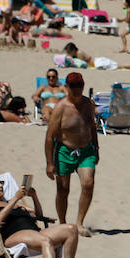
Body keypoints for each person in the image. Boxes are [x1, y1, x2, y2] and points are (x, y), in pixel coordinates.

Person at [0, 171, 81, 258]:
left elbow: (38, 215)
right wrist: (15, 198)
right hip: (13, 236)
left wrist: (34, 196)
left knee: (71, 229)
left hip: (35, 233)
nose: (1, 186)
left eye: (1, 182)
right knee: (45, 240)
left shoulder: (13, 203)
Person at [45, 72, 99, 234]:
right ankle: (62, 222)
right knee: (63, 189)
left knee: (88, 184)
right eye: (73, 86)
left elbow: (92, 128)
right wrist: (49, 163)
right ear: (67, 87)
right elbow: (49, 137)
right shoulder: (60, 108)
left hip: (86, 151)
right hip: (64, 152)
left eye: (80, 86)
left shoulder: (88, 104)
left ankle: (79, 223)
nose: (77, 89)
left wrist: (96, 148)